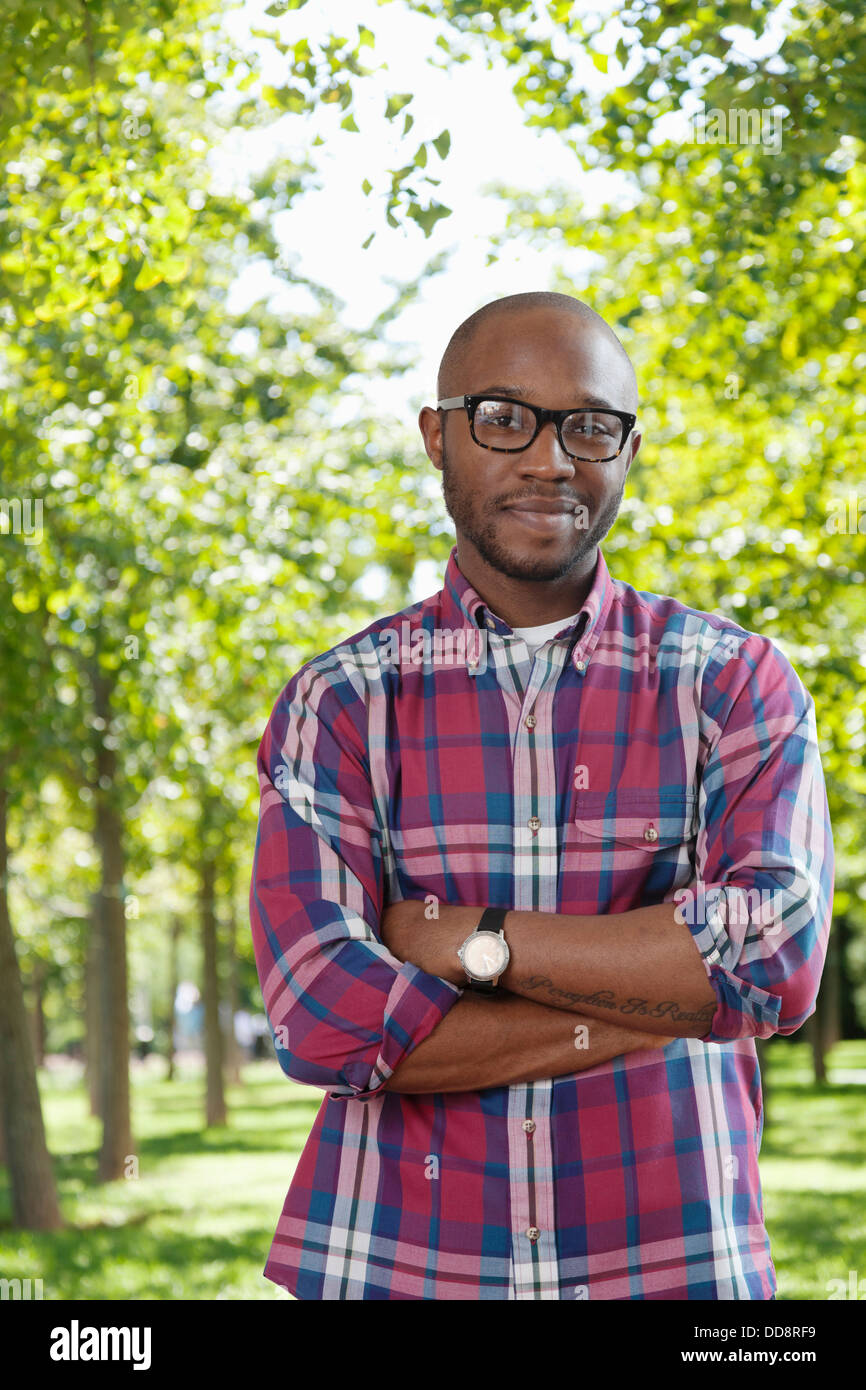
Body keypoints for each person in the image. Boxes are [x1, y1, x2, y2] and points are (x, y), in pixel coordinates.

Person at [249, 291, 833, 1300]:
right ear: (437, 436)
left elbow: (773, 956)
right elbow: (323, 1016)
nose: (549, 458)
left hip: (673, 1273)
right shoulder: (337, 702)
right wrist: (677, 998)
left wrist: (473, 942)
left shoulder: (731, 680)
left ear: (628, 447)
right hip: (394, 1269)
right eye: (503, 417)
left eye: (589, 425)